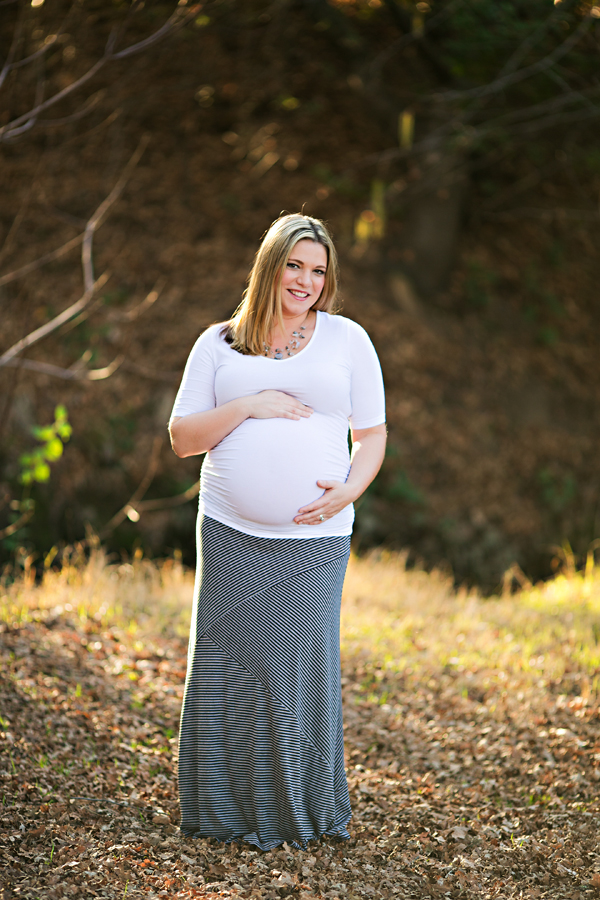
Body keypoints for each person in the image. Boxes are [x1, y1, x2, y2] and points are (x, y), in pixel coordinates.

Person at [169, 212, 386, 850]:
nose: (305, 281)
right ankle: (222, 814)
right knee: (226, 667)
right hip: (229, 535)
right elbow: (183, 438)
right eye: (294, 265)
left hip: (317, 542)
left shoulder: (348, 339)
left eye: (318, 270)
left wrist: (350, 488)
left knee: (301, 673)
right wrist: (247, 404)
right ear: (270, 266)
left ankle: (302, 812)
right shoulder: (218, 343)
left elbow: (372, 435)